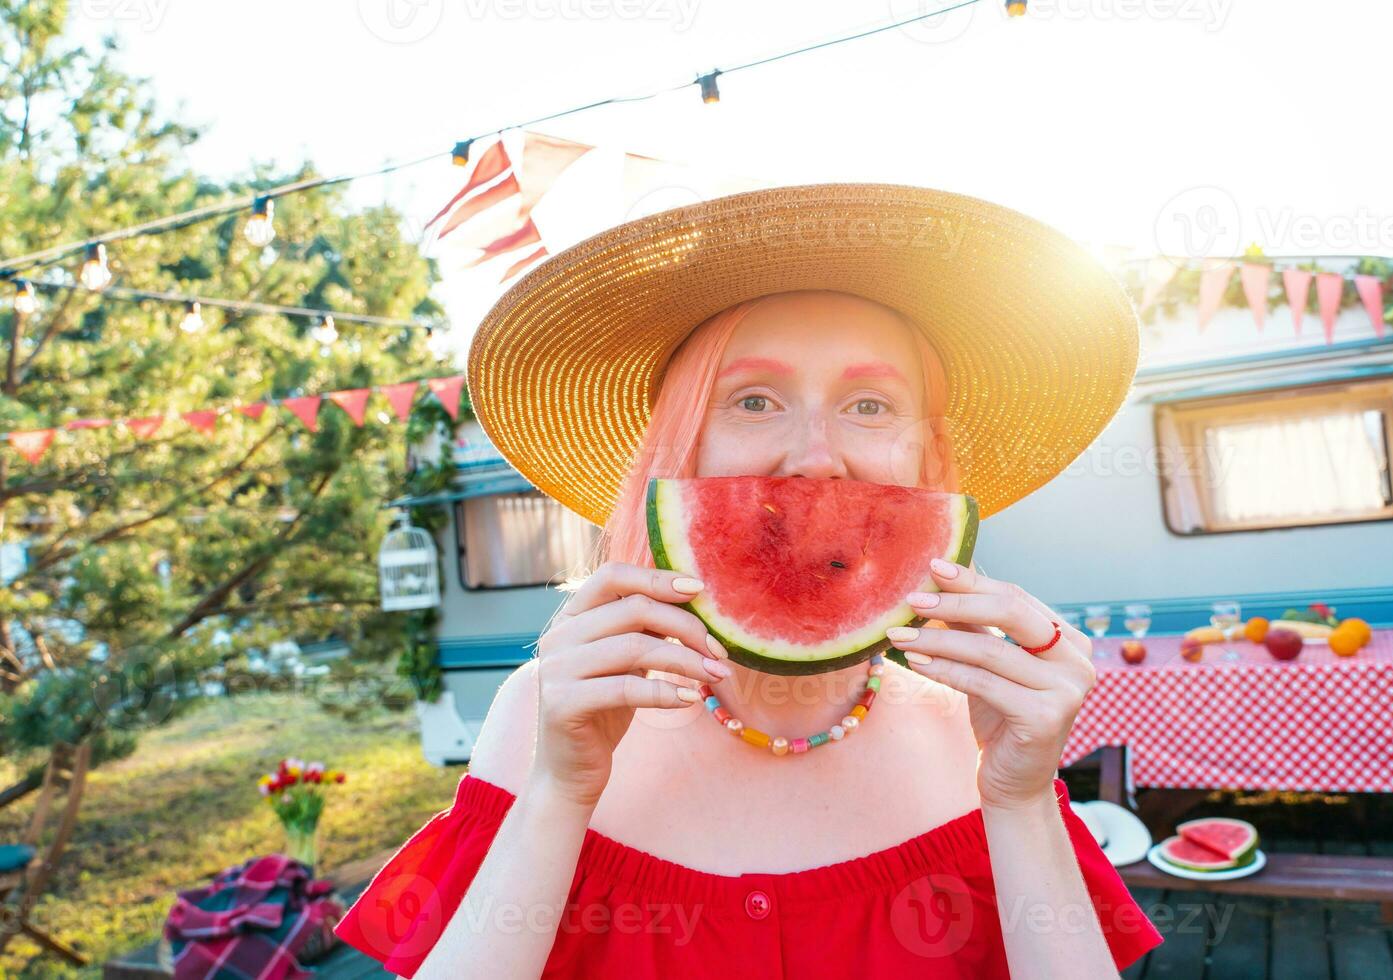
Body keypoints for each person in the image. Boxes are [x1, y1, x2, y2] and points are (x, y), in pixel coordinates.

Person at [336, 184, 1163, 978]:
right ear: (682, 457)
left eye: (870, 405)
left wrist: (1020, 804)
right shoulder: (548, 713)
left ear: (927, 465)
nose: (814, 456)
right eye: (755, 400)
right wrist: (560, 791)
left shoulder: (978, 741)